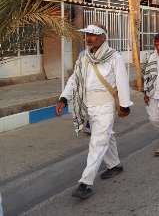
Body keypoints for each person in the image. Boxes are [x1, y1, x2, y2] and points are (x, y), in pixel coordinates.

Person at [56, 24, 132, 199]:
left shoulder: (114, 57)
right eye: (88, 35)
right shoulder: (84, 57)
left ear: (104, 37)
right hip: (88, 105)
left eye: (94, 35)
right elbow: (75, 79)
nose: (89, 38)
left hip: (105, 106)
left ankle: (85, 184)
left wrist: (125, 104)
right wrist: (63, 98)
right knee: (106, 136)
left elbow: (121, 80)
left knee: (97, 142)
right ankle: (115, 165)